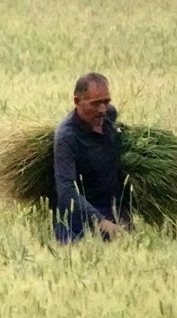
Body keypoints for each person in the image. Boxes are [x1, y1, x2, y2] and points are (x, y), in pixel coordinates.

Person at [53, 72, 130, 243]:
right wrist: (101, 222)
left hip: (112, 211)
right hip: (78, 221)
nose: (102, 109)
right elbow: (66, 190)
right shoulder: (67, 137)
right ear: (77, 101)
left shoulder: (109, 115)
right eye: (95, 103)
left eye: (106, 101)